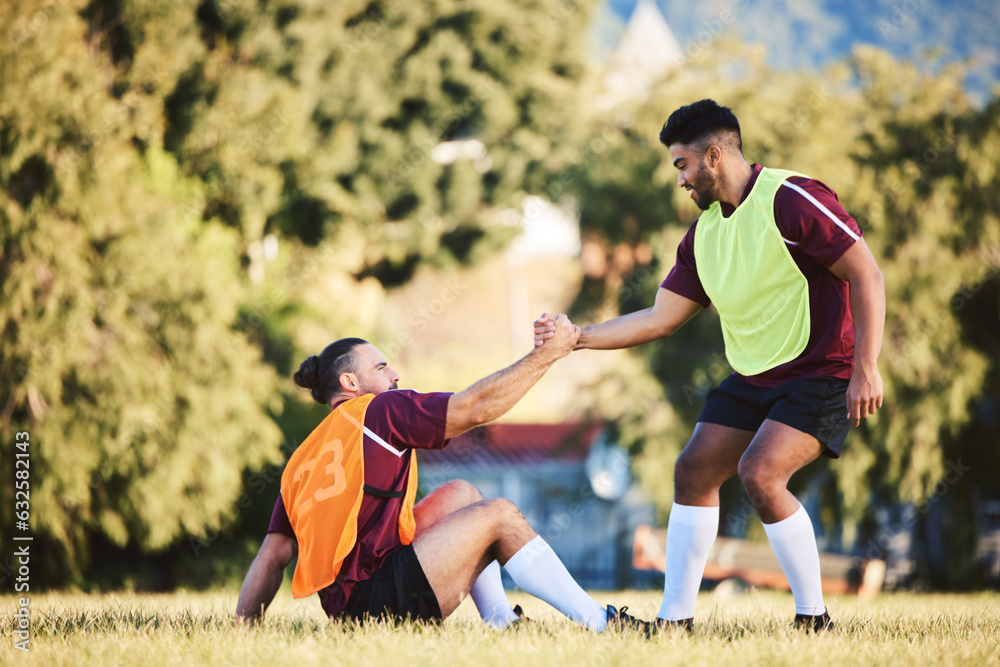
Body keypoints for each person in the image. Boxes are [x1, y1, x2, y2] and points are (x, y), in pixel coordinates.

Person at [535, 99, 885, 633]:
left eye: (682, 164)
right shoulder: (703, 235)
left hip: (821, 373)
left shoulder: (792, 199)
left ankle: (815, 618)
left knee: (760, 474)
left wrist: (867, 366)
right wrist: (577, 337)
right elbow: (659, 318)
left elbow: (867, 273)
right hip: (753, 377)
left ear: (714, 156)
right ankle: (675, 622)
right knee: (693, 471)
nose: (680, 179)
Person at [236, 315, 649, 633]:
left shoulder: (304, 458)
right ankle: (602, 622)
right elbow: (475, 409)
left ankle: (503, 622)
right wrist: (549, 354)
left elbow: (272, 556)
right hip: (380, 600)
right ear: (350, 382)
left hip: (352, 608)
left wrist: (243, 632)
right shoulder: (378, 410)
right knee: (500, 515)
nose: (394, 376)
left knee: (462, 493)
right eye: (381, 368)